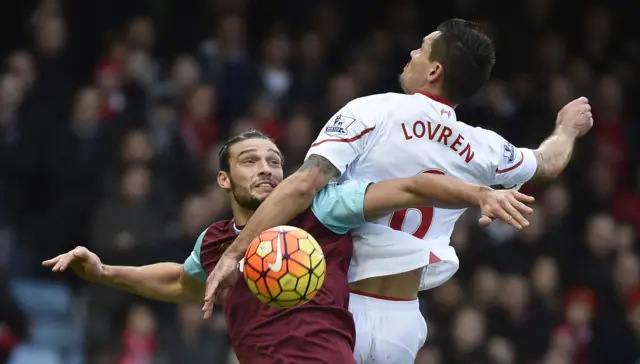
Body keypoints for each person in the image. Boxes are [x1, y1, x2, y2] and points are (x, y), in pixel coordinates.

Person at [203, 19, 594, 363]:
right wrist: (567, 128)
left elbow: (303, 184)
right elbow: (549, 162)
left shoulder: (374, 111)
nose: (412, 52)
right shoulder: (483, 147)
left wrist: (236, 251)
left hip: (336, 308)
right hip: (402, 323)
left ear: (434, 70)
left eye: (422, 48)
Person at [44, 131, 533, 364]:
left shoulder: (322, 208)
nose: (266, 169)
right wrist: (105, 271)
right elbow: (180, 282)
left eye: (275, 161)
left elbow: (409, 188)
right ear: (223, 178)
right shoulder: (216, 243)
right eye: (250, 161)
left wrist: (478, 193)